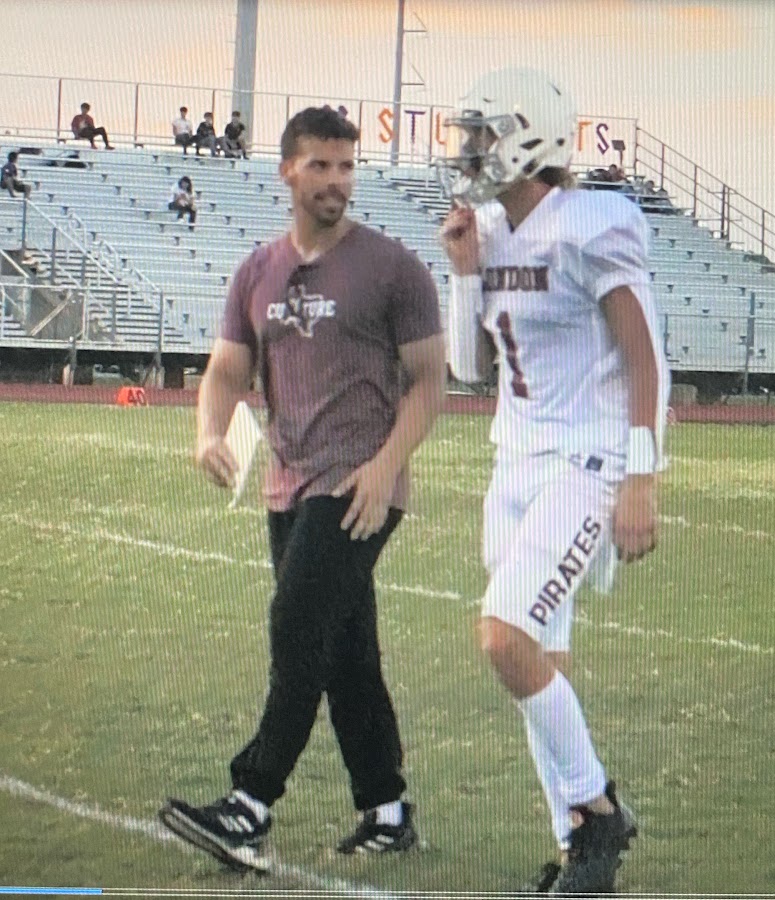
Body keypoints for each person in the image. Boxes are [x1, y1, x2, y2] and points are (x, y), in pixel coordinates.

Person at [158, 105, 446, 874]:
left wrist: (386, 467)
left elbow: (430, 383)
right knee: (346, 651)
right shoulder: (257, 272)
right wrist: (209, 434)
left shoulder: (393, 268)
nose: (336, 181)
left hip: (359, 483)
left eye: (347, 166)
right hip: (286, 485)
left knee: (296, 624)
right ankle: (387, 810)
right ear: (287, 169)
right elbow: (227, 369)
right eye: (320, 165)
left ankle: (249, 803)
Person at [437, 67, 671, 895]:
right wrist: (464, 271)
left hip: (587, 460)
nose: (471, 149)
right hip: (514, 461)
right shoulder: (487, 229)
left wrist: (641, 476)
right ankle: (578, 848)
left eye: (485, 134)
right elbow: (469, 370)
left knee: (505, 638)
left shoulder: (590, 223)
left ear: (530, 136)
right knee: (540, 662)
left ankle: (597, 811)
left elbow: (645, 358)